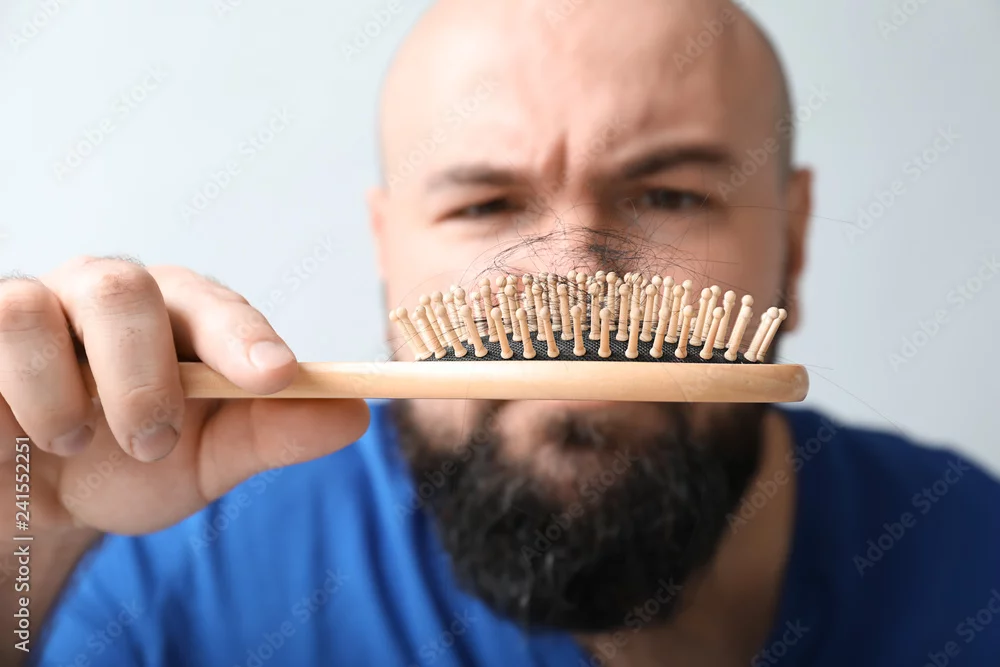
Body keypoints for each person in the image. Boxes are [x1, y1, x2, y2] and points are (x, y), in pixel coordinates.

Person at [5, 0, 1000, 665]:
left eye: (669, 194)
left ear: (797, 238)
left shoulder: (970, 560)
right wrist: (23, 545)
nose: (573, 277)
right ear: (388, 251)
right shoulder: (178, 585)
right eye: (484, 204)